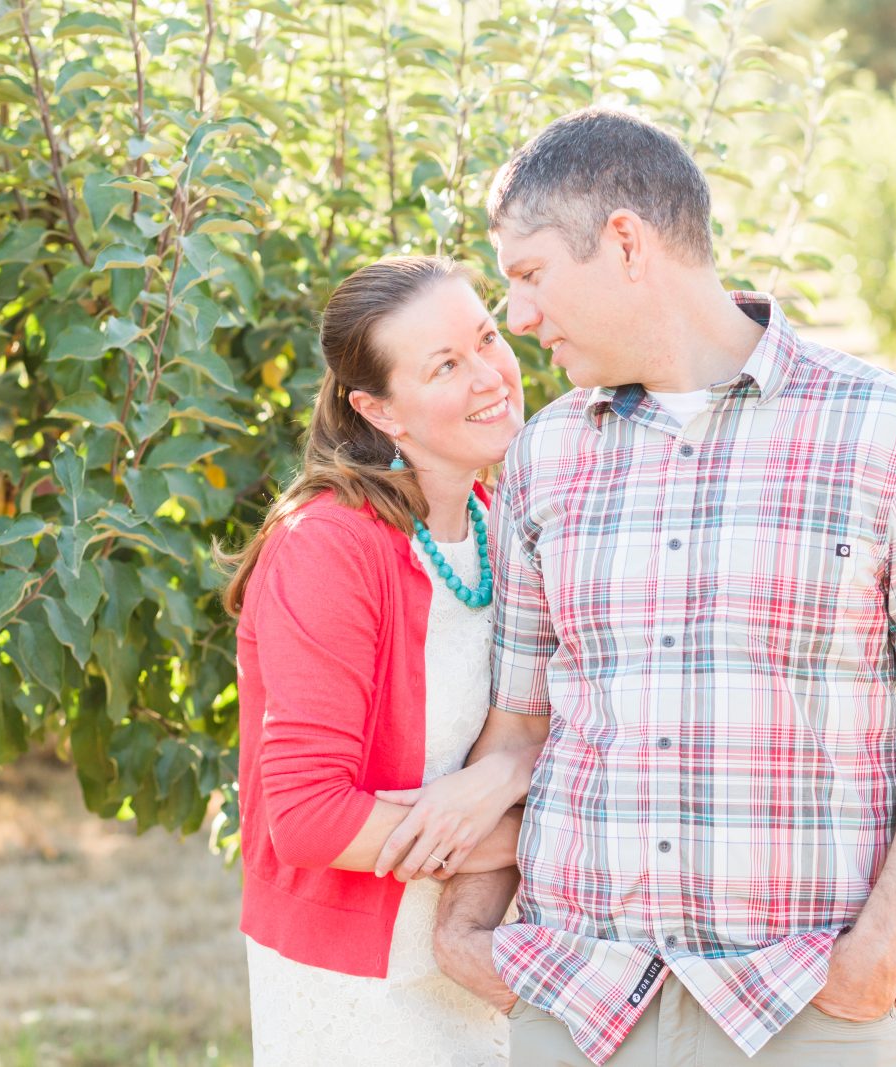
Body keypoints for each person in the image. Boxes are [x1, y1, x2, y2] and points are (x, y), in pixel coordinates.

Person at [431, 109, 896, 1066]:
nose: (520, 319)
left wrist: (878, 954)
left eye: (531, 274)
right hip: (577, 1005)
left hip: (806, 1006)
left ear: (625, 241)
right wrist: (470, 933)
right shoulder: (545, 455)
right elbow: (519, 725)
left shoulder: (887, 432)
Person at [220, 255, 537, 1066]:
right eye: (443, 366)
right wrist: (525, 836)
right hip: (360, 979)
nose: (489, 376)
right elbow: (308, 816)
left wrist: (500, 784)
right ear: (377, 408)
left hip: (485, 950)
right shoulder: (329, 545)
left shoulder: (501, 523)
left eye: (486, 339)